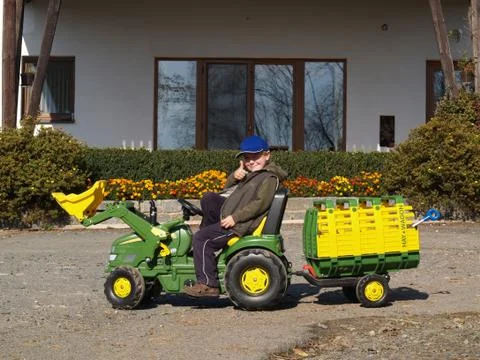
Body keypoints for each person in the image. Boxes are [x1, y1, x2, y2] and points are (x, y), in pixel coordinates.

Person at [183, 135, 288, 297]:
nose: (251, 161)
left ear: (267, 155)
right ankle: (203, 254)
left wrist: (236, 217)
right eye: (247, 158)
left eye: (256, 156)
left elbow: (260, 204)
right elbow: (228, 193)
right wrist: (234, 177)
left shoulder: (269, 177)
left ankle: (208, 284)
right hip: (234, 214)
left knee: (201, 239)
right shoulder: (255, 174)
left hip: (242, 224)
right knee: (209, 199)